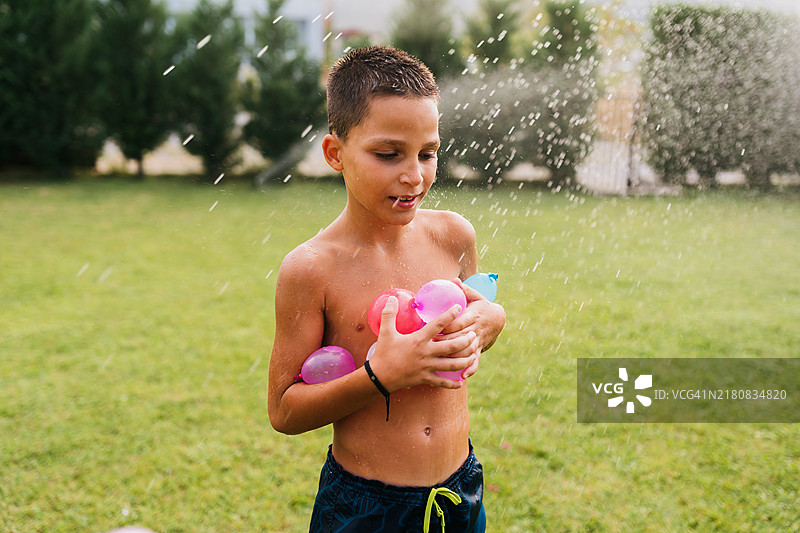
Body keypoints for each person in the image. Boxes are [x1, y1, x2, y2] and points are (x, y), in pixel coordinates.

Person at [268, 45, 506, 532]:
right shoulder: (311, 269)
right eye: (387, 154)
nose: (414, 175)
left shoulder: (453, 235)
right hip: (364, 506)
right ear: (336, 153)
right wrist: (379, 376)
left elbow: (476, 313)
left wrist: (492, 322)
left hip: (459, 490)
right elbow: (284, 410)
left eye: (428, 153)